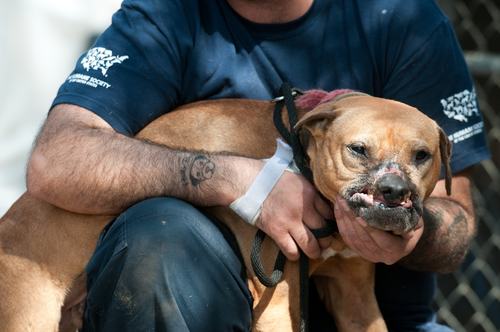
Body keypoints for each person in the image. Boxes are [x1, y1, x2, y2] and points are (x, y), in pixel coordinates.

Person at [26, 0, 490, 331]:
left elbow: (456, 223)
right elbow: (56, 158)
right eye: (360, 152)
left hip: (390, 315)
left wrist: (413, 232)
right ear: (314, 131)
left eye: (420, 158)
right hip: (185, 303)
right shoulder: (165, 15)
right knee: (159, 235)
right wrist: (236, 179)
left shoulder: (402, 19)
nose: (390, 175)